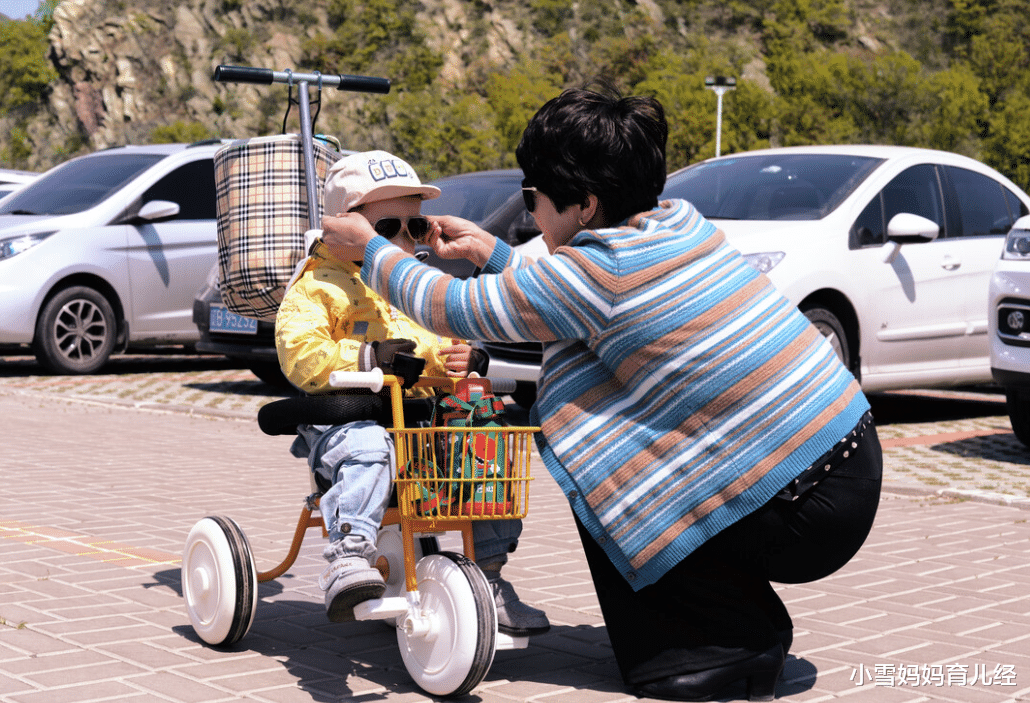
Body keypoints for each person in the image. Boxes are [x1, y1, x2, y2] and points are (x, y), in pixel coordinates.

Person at [319, 91, 882, 701]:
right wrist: (492, 253)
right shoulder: (677, 226)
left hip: (800, 505)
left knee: (610, 481)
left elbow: (458, 307)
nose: (532, 215)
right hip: (841, 468)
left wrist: (371, 248)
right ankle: (744, 631)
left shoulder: (601, 270)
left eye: (534, 199)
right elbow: (577, 305)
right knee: (629, 460)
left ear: (585, 205)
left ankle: (715, 652)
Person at [275, 150, 550, 636]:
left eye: (415, 228)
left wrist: (467, 357)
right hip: (350, 417)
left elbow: (441, 340)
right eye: (386, 230)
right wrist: (368, 359)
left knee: (485, 439)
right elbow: (300, 354)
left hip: (418, 423)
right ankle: (349, 553)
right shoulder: (316, 286)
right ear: (342, 227)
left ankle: (487, 576)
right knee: (367, 446)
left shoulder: (408, 285)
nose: (403, 241)